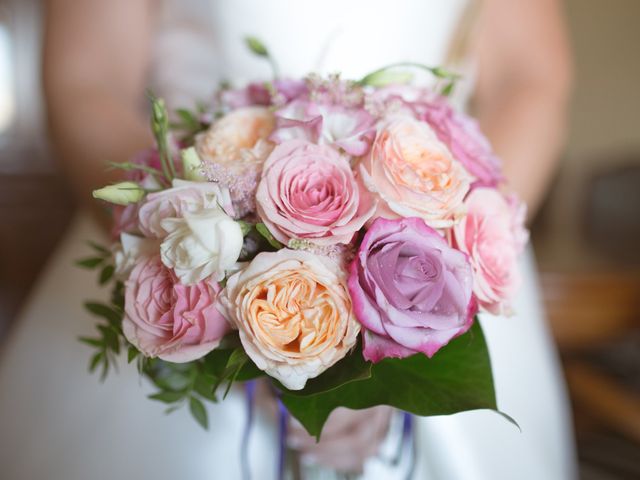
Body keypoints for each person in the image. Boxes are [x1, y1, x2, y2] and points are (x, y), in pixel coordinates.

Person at [0, 0, 575, 478]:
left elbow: (530, 79)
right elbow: (85, 82)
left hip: (432, 218)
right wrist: (210, 259)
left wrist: (445, 257)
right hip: (186, 234)